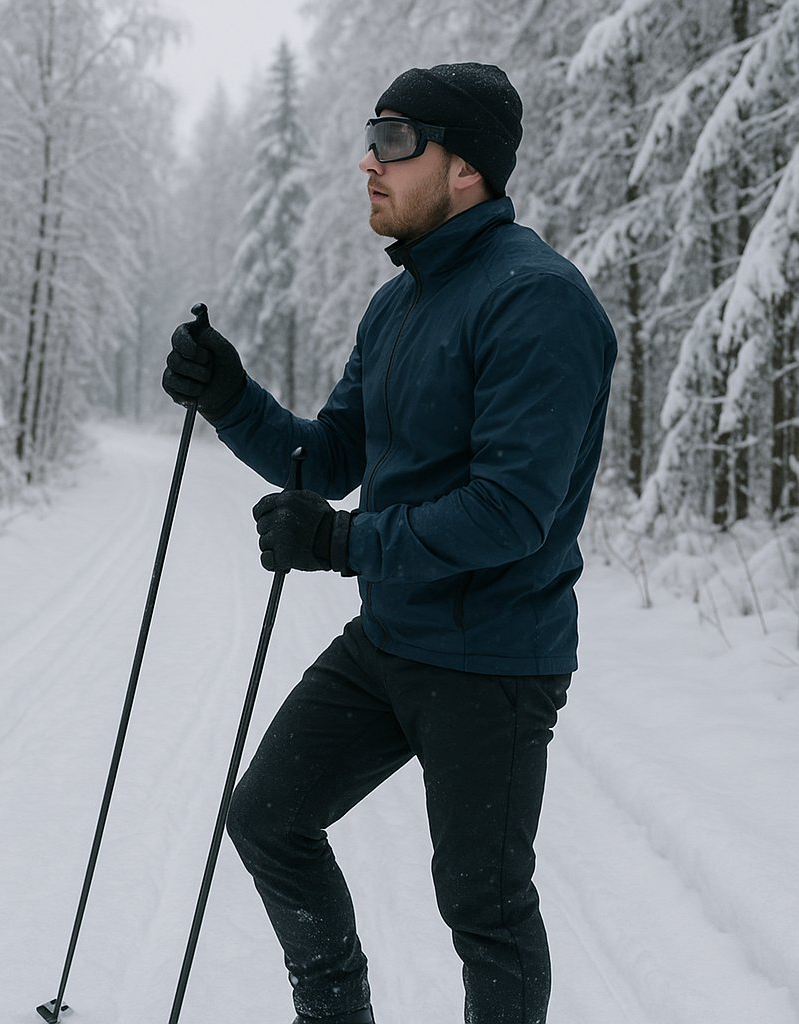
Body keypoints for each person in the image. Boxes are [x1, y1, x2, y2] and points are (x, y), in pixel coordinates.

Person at [163, 62, 617, 1024]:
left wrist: (338, 543)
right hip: (393, 640)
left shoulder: (538, 302)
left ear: (465, 168)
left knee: (484, 912)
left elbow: (510, 511)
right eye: (372, 137)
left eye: (398, 140)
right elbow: (325, 458)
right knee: (267, 821)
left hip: (493, 658)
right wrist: (229, 397)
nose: (370, 160)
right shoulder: (399, 305)